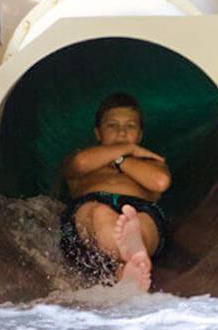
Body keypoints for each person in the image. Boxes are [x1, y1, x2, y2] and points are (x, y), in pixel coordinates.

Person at [60, 92, 172, 290]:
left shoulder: (151, 163)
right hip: (92, 203)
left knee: (142, 222)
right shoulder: (82, 158)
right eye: (113, 125)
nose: (122, 132)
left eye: (130, 126)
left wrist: (121, 159)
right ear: (98, 133)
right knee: (99, 214)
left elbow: (160, 181)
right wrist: (127, 148)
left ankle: (128, 263)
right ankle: (130, 256)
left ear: (139, 135)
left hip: (139, 208)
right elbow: (80, 163)